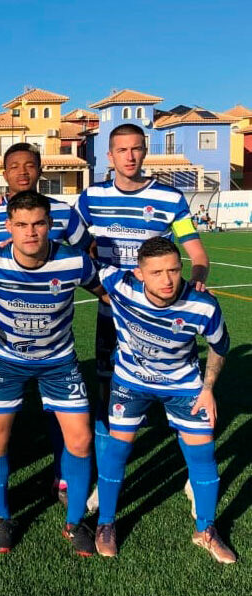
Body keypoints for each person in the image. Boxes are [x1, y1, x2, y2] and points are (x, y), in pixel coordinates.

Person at [0, 191, 105, 555]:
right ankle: (3, 516)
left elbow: (106, 293)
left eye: (38, 223)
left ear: (50, 226)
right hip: (6, 361)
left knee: (81, 440)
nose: (30, 232)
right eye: (21, 225)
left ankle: (73, 523)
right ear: (8, 227)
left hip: (59, 360)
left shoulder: (75, 262)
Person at [76, 123, 209, 511]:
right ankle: (107, 480)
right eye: (122, 150)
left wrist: (195, 286)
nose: (130, 156)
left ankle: (192, 473)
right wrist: (104, 293)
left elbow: (197, 256)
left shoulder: (169, 198)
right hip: (111, 312)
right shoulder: (91, 198)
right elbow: (75, 250)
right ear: (110, 156)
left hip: (163, 318)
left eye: (137, 149)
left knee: (184, 395)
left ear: (145, 151)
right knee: (107, 392)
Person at [94, 237, 235, 564]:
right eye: (157, 272)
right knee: (118, 449)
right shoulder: (120, 284)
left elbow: (220, 346)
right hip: (131, 381)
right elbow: (82, 268)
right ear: (139, 273)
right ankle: (105, 524)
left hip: (184, 386)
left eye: (174, 269)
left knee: (204, 455)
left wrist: (209, 387)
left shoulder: (202, 304)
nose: (168, 280)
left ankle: (206, 530)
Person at [0, 142, 92, 505]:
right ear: (4, 172)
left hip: (54, 335)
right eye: (14, 166)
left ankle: (62, 475)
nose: (22, 172)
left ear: (40, 170)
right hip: (8, 334)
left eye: (30, 165)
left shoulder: (64, 214)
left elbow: (86, 253)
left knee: (62, 415)